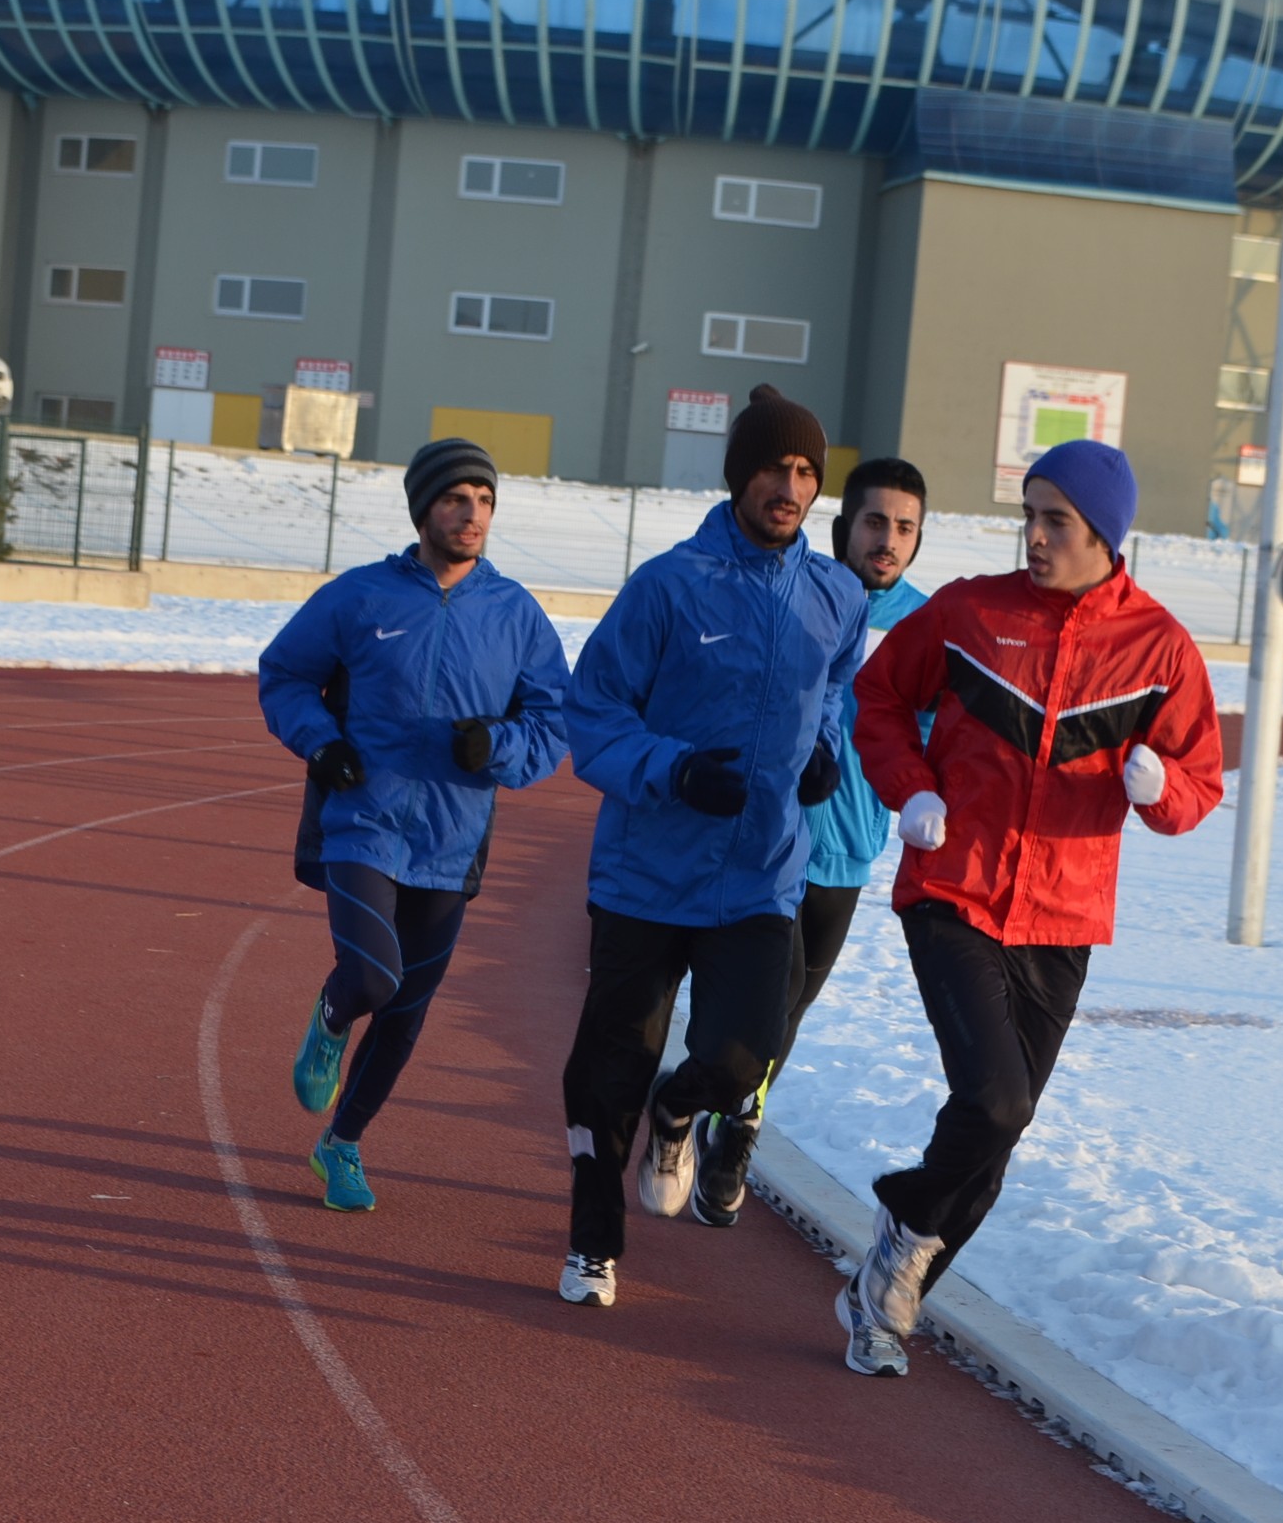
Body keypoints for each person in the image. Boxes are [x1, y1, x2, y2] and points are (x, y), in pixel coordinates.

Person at [840, 439, 1222, 1376]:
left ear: (1103, 534)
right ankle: (900, 1229)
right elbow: (879, 699)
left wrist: (1157, 784)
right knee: (997, 1101)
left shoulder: (1161, 649)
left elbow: (1200, 787)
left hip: (1062, 916)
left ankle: (886, 1297)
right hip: (952, 891)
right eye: (1030, 516)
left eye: (1056, 521)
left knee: (995, 1142)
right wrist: (911, 789)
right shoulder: (970, 610)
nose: (1036, 537)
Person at [555, 385, 868, 1306]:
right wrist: (676, 771)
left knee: (745, 1054)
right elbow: (593, 712)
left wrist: (827, 751)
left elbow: (840, 687)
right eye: (775, 467)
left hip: (760, 877)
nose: (791, 485)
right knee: (610, 1063)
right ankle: (591, 1241)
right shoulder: (668, 585)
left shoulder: (836, 595)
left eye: (808, 471)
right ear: (740, 475)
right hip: (648, 875)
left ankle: (679, 1108)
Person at [257, 438, 569, 1213]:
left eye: (486, 500)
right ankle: (332, 1016)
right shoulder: (360, 597)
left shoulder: (516, 614)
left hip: (451, 841)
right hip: (362, 820)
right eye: (457, 498)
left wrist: (495, 746)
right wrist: (322, 745)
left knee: (406, 1012)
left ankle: (343, 1145)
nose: (473, 515)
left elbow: (555, 722)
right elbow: (284, 673)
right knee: (370, 978)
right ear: (423, 508)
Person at [689, 456, 931, 1228]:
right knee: (770, 993)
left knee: (789, 1011)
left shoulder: (931, 627)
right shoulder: (805, 595)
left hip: (850, 851)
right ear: (842, 525)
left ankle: (729, 1114)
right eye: (874, 522)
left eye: (904, 528)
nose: (887, 540)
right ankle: (732, 1126)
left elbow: (938, 737)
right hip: (769, 841)